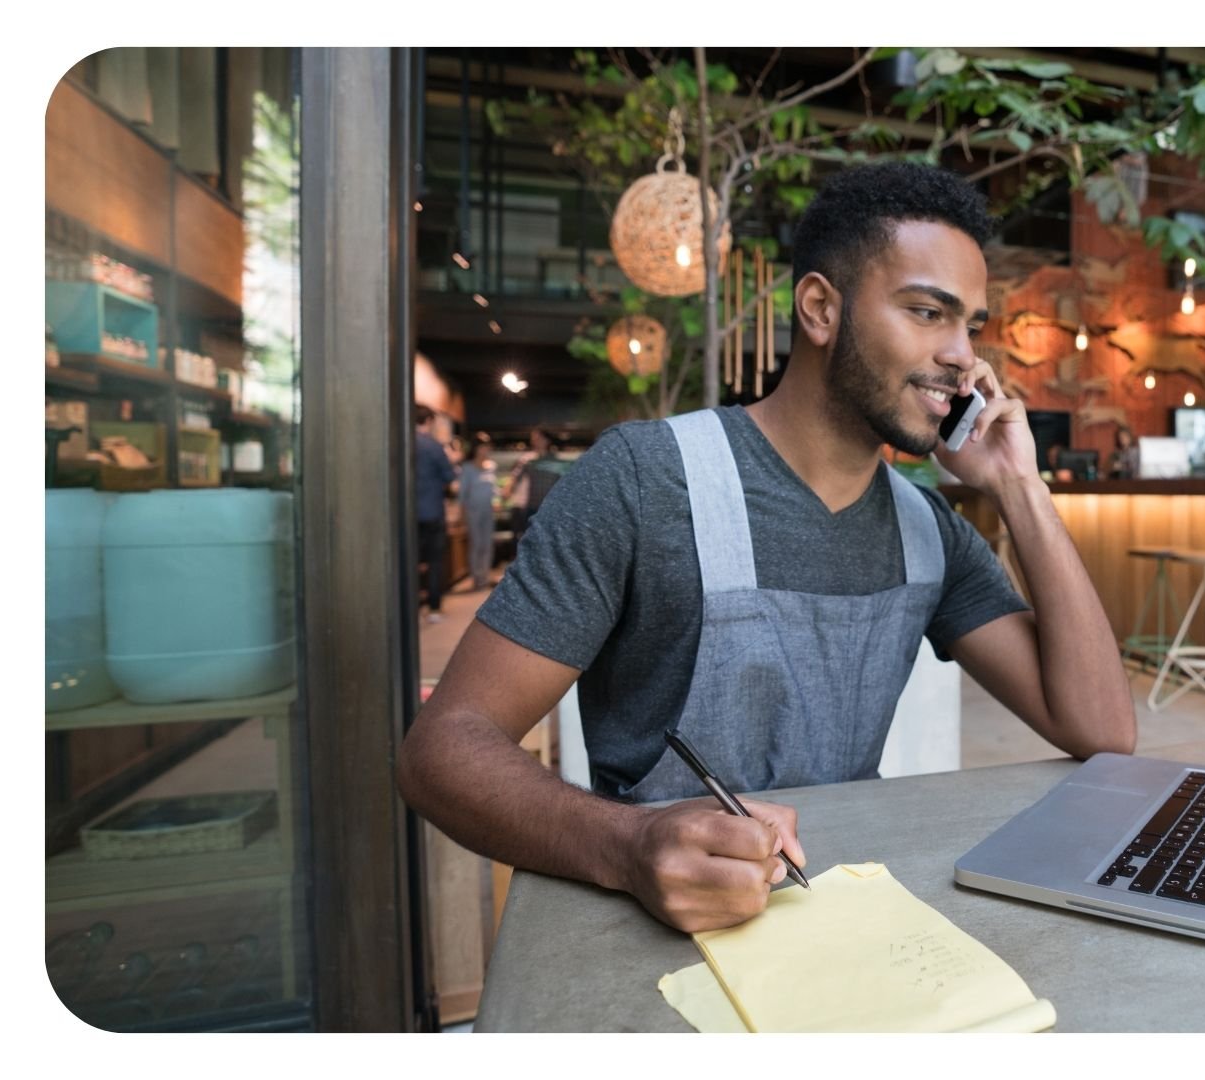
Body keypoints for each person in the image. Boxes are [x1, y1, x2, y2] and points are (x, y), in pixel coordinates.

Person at [397, 161, 1136, 934]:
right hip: (647, 935)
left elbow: (1101, 732)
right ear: (820, 308)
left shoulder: (929, 529)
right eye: (927, 312)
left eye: (971, 325)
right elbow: (443, 752)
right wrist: (630, 842)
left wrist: (1020, 488)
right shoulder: (645, 482)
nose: (964, 356)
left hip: (838, 921)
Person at [413, 405, 459, 624]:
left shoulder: (399, 444)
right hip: (432, 511)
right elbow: (450, 478)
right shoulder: (433, 447)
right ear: (429, 421)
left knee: (408, 560)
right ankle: (433, 608)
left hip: (407, 515)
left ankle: (408, 605)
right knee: (434, 561)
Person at [461, 438, 498, 590]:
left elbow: (494, 489)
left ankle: (485, 575)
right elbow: (463, 492)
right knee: (476, 544)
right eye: (483, 447)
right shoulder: (468, 467)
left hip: (488, 510)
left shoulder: (492, 466)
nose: (485, 451)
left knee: (487, 544)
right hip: (473, 510)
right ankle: (476, 577)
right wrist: (462, 513)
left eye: (487, 448)